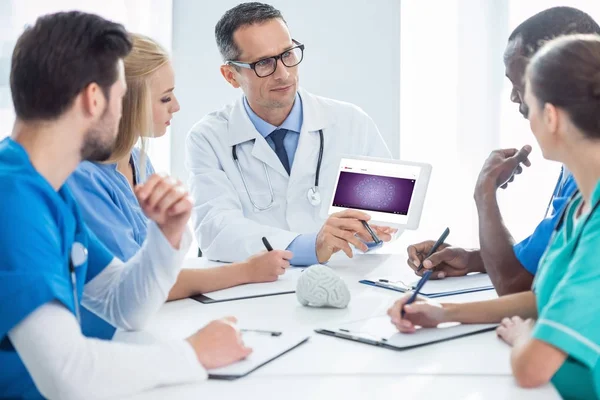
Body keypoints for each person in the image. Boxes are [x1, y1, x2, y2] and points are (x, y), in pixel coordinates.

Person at [0, 12, 251, 400]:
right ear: (94, 99)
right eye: (121, 98)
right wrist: (193, 353)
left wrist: (165, 235)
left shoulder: (47, 188)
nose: (123, 115)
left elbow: (123, 306)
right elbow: (67, 374)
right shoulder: (13, 200)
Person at [389, 33, 600, 398]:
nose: (524, 114)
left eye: (528, 104)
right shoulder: (581, 204)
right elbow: (547, 299)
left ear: (550, 117)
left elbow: (532, 367)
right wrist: (442, 311)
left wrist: (524, 336)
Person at [66, 33, 293, 340]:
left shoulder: (138, 161)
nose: (176, 107)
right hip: (107, 340)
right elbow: (141, 287)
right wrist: (246, 271)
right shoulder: (81, 179)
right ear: (125, 102)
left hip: (148, 327)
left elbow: (157, 270)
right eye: (165, 98)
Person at [406, 7, 598, 295]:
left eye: (520, 84)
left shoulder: (590, 168)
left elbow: (517, 286)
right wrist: (475, 258)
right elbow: (545, 259)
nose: (513, 97)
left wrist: (485, 193)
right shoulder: (578, 160)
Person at [186, 2, 396, 264]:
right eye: (264, 63)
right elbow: (216, 231)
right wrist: (310, 246)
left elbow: (387, 214)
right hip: (259, 292)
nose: (283, 74)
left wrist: (374, 229)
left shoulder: (350, 122)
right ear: (231, 75)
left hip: (345, 281)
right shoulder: (209, 138)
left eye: (288, 54)